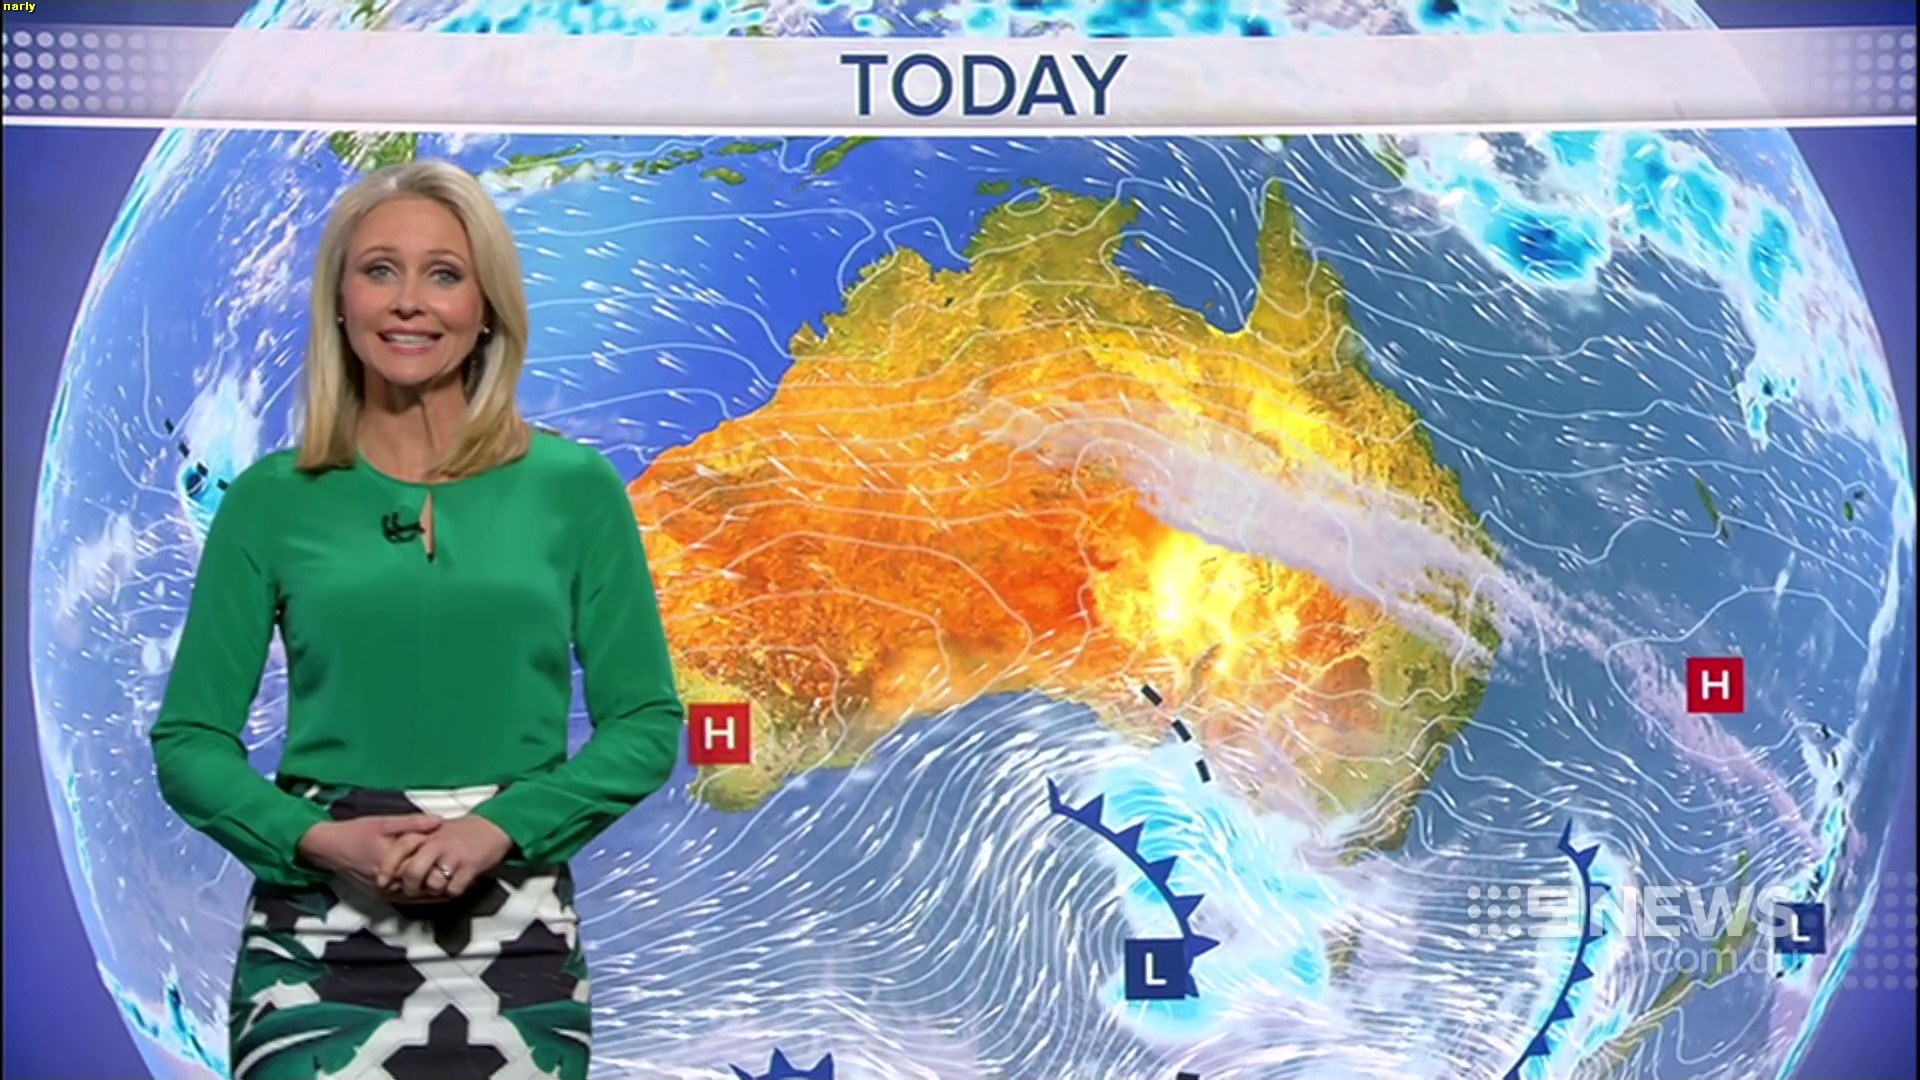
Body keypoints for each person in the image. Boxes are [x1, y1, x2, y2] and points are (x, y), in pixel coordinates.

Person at [149, 158, 686, 1079]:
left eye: (443, 273)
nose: (409, 301)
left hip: (515, 939)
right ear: (339, 302)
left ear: (488, 307)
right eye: (379, 270)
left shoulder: (576, 490)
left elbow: (645, 723)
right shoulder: (272, 501)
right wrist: (317, 840)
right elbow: (189, 742)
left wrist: (499, 828)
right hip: (316, 944)